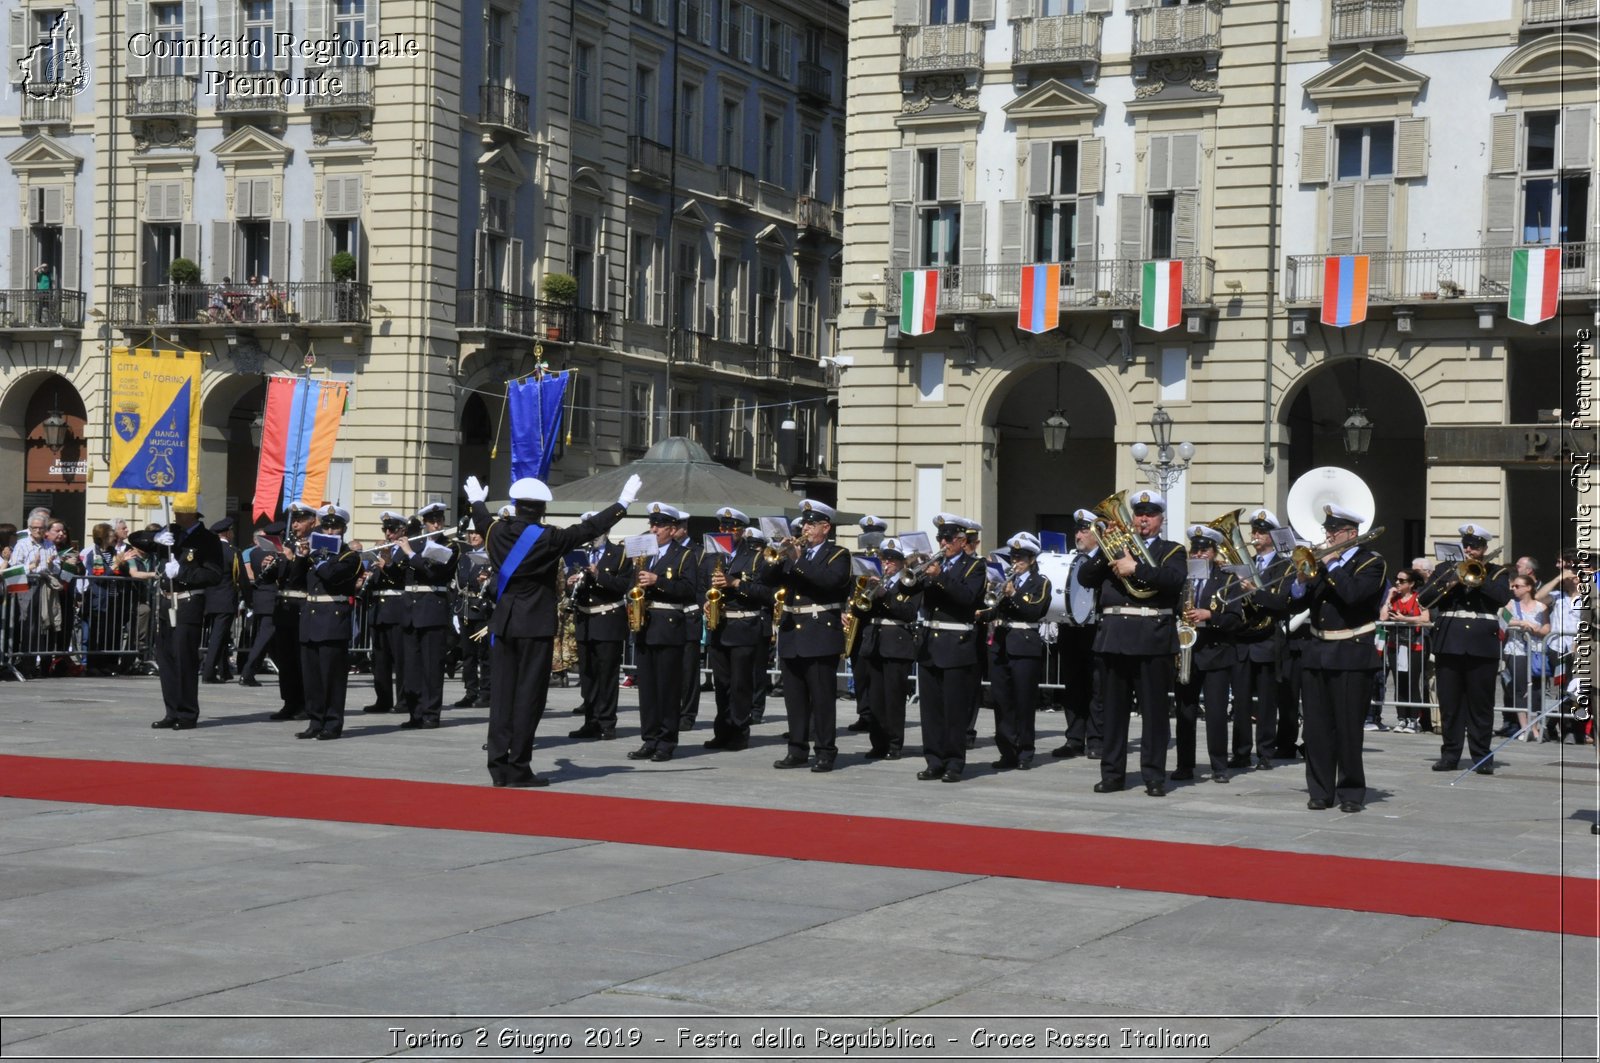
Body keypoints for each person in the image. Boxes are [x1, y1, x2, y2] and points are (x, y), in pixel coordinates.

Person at [467, 472, 639, 786]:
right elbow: (589, 528)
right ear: (542, 510)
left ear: (516, 506)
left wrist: (477, 500)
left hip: (505, 622)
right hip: (535, 624)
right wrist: (622, 503)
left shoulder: (496, 532)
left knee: (502, 696)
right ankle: (518, 767)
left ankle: (497, 767)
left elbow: (481, 519)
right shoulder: (549, 538)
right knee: (528, 698)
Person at [1077, 489, 1187, 797]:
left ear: (1161, 520)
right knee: (1112, 713)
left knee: (1154, 714)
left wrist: (1135, 568)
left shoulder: (1171, 550)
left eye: (1150, 514)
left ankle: (1153, 776)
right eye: (1139, 514)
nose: (1143, 519)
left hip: (1152, 636)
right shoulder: (1115, 547)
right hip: (1114, 638)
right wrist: (1103, 550)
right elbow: (1086, 578)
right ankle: (1112, 774)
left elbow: (1175, 581)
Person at [1291, 503, 1386, 812]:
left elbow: (1354, 595)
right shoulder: (1320, 564)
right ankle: (1319, 790)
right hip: (1318, 652)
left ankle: (1351, 793)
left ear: (1352, 533)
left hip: (1351, 652)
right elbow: (1298, 602)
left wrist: (1332, 565)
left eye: (1335, 531)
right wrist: (1300, 581)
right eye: (1328, 531)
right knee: (1316, 729)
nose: (1329, 536)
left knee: (1347, 729)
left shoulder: (1371, 563)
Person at [757, 499, 852, 772]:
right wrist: (778, 553)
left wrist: (797, 560)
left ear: (826, 527)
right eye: (804, 523)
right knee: (794, 698)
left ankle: (825, 751)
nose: (806, 528)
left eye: (812, 524)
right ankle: (797, 749)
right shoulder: (794, 554)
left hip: (820, 631)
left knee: (822, 698)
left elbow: (829, 582)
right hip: (791, 632)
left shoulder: (838, 554)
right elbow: (766, 578)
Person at [1422, 523, 1511, 775]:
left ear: (1484, 549)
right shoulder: (1444, 569)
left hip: (1482, 644)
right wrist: (1450, 579)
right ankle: (1450, 755)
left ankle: (1482, 757)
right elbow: (1424, 598)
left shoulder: (1496, 571)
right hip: (1449, 642)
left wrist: (1477, 578)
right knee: (1449, 704)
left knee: (1480, 705)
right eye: (1467, 545)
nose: (1470, 549)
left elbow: (1503, 598)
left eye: (1475, 546)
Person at [908, 513, 987, 783]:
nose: (942, 543)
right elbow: (910, 594)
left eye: (948, 539)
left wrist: (940, 576)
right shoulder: (933, 565)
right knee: (930, 710)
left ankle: (954, 762)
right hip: (929, 644)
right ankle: (933, 760)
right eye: (940, 538)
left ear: (961, 540)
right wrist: (914, 573)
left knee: (954, 710)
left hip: (956, 645)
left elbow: (968, 598)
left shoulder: (974, 567)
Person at [1173, 525, 1243, 784]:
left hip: (1216, 652)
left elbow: (1236, 619)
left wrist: (1209, 615)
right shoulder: (1184, 578)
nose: (1199, 554)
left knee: (1215, 713)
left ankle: (1219, 765)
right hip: (1188, 652)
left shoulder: (1227, 579)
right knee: (1185, 712)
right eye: (1196, 549)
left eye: (1204, 549)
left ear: (1214, 552)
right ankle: (1184, 765)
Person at [628, 503, 697, 762]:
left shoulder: (685, 555)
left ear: (672, 529)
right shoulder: (644, 552)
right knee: (647, 689)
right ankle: (649, 739)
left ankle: (666, 742)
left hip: (669, 626)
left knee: (667, 688)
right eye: (652, 524)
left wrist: (659, 582)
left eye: (658, 525)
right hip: (645, 624)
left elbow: (690, 589)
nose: (653, 529)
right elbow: (629, 584)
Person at [145, 507, 225, 730]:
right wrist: (155, 537)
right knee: (167, 661)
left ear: (193, 514)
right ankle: (171, 712)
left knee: (184, 660)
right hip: (165, 603)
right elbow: (136, 540)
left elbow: (214, 574)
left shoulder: (207, 539)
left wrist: (182, 573)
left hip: (187, 603)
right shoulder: (171, 533)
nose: (176, 514)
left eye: (181, 511)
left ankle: (188, 713)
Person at [981, 532, 1053, 771]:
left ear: (1032, 559)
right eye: (1013, 556)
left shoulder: (1041, 583)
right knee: (1002, 702)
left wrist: (1013, 594)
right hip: (1000, 644)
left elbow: (1034, 611)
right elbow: (995, 611)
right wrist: (983, 611)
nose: (1016, 561)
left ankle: (1025, 751)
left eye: (1021, 557)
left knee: (1023, 701)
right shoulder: (1003, 581)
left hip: (1024, 645)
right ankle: (1007, 751)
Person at [293, 507, 362, 739]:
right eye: (326, 527)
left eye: (335, 528)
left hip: (332, 620)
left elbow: (333, 576)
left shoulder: (349, 556)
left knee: (331, 677)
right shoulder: (314, 554)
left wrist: (319, 560)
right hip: (311, 619)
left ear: (343, 530)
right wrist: (302, 557)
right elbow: (294, 580)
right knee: (311, 676)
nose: (330, 531)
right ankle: (315, 720)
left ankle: (332, 723)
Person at [702, 507, 767, 752]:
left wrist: (735, 583)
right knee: (722, 684)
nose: (726, 532)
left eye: (731, 528)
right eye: (723, 528)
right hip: (719, 625)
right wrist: (705, 602)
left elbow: (765, 593)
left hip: (743, 625)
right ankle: (723, 730)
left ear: (741, 531)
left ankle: (740, 731)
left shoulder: (754, 557)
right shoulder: (711, 556)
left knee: (740, 684)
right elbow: (700, 586)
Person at [1234, 508, 1292, 769]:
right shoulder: (1243, 565)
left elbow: (1282, 603)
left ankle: (1266, 753)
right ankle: (1241, 752)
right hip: (1243, 639)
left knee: (1267, 702)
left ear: (1272, 535)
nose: (1255, 536)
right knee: (1241, 702)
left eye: (1261, 532)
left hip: (1268, 639)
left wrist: (1256, 592)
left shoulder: (1284, 565)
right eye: (1254, 531)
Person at [855, 536, 919, 760]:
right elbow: (859, 612)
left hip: (896, 644)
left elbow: (909, 613)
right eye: (885, 559)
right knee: (874, 699)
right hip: (873, 643)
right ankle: (878, 743)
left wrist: (885, 596)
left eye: (893, 560)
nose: (888, 564)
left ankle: (894, 744)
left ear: (903, 562)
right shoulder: (877, 581)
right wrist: (864, 593)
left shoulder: (910, 582)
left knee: (893, 698)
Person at [567, 513, 630, 740]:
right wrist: (570, 583)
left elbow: (623, 585)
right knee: (588, 675)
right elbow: (568, 591)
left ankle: (607, 723)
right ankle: (590, 721)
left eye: (596, 532)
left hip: (608, 618)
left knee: (607, 675)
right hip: (585, 619)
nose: (592, 537)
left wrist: (599, 574)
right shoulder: (579, 555)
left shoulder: (620, 555)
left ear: (605, 532)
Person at [397, 503, 456, 731]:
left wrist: (410, 554)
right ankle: (415, 713)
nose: (437, 524)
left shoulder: (448, 546)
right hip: (410, 611)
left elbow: (433, 572)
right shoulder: (417, 543)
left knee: (432, 667)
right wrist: (389, 558)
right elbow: (396, 576)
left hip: (432, 610)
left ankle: (431, 714)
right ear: (425, 523)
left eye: (439, 520)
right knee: (411, 668)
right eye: (432, 521)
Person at [1051, 509, 1103, 760]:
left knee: (1096, 687)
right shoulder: (1070, 558)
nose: (1078, 535)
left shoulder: (1106, 559)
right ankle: (1074, 739)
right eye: (1077, 530)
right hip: (1070, 630)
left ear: (1097, 534)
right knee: (1072, 687)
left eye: (1084, 530)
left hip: (1096, 630)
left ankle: (1096, 739)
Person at [362, 512, 409, 712]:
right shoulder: (382, 550)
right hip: (379, 610)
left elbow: (404, 578)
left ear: (402, 530)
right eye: (386, 530)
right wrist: (368, 576)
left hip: (397, 608)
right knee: (379, 660)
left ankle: (404, 700)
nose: (388, 534)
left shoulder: (407, 550)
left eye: (392, 530)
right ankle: (383, 699)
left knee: (401, 658)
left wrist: (387, 565)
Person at [847, 514, 889, 731]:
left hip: (879, 621)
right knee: (859, 671)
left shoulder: (887, 561)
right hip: (859, 620)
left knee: (876, 674)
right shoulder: (856, 560)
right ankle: (864, 712)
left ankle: (877, 715)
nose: (870, 543)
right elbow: (848, 589)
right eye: (867, 537)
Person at [1379, 568, 1431, 733]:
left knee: (1412, 681)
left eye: (1402, 581)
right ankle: (1401, 718)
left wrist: (1405, 619)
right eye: (1397, 579)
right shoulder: (1394, 598)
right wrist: (1388, 597)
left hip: (1414, 645)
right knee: (1399, 681)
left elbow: (1425, 618)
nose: (1397, 583)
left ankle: (1413, 719)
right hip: (1395, 645)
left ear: (1411, 584)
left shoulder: (1418, 598)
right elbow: (1383, 618)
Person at [1500, 573, 1550, 742]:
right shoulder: (1511, 605)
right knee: (1520, 689)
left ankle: (1534, 726)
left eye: (1517, 586)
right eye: (1513, 586)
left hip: (1535, 651)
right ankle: (1526, 728)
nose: (1514, 589)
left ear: (1528, 587)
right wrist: (1521, 623)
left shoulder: (1540, 607)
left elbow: (1546, 629)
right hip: (1516, 651)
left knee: (1534, 690)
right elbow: (1503, 621)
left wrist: (1534, 629)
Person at [674, 513, 708, 732]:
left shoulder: (699, 553)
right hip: (668, 619)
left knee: (688, 672)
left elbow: (703, 587)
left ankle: (687, 714)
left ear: (684, 528)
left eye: (673, 526)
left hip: (688, 615)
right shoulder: (666, 551)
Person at [455, 528, 495, 709]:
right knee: (467, 653)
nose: (473, 536)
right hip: (465, 607)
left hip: (482, 608)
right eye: (470, 533)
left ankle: (487, 692)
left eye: (477, 533)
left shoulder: (491, 556)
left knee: (484, 652)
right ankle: (470, 691)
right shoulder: (464, 557)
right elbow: (458, 583)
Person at [239, 523, 282, 686]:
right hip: (272, 599)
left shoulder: (255, 552)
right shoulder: (276, 553)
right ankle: (247, 672)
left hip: (260, 598)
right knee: (264, 637)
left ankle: (285, 671)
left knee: (271, 639)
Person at [201, 518, 239, 683]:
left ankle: (224, 670)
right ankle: (208, 672)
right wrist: (249, 599)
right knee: (217, 637)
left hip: (209, 599)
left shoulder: (207, 551)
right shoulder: (232, 551)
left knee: (221, 635)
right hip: (225, 599)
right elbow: (240, 578)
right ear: (227, 532)